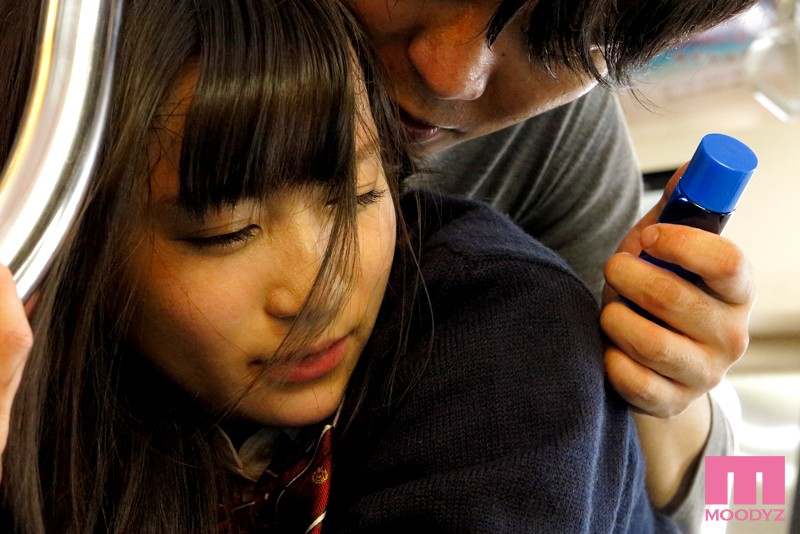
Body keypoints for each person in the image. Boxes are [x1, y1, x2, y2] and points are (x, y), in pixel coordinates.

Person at [0, 0, 682, 531]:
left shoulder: (508, 322)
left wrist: (683, 413)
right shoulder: (61, 116)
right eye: (226, 232)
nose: (453, 73)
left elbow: (731, 503)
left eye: (359, 192)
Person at [345, 0, 757, 522]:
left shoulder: (565, 140)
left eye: (560, 39)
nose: (452, 76)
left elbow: (734, 507)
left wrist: (671, 385)